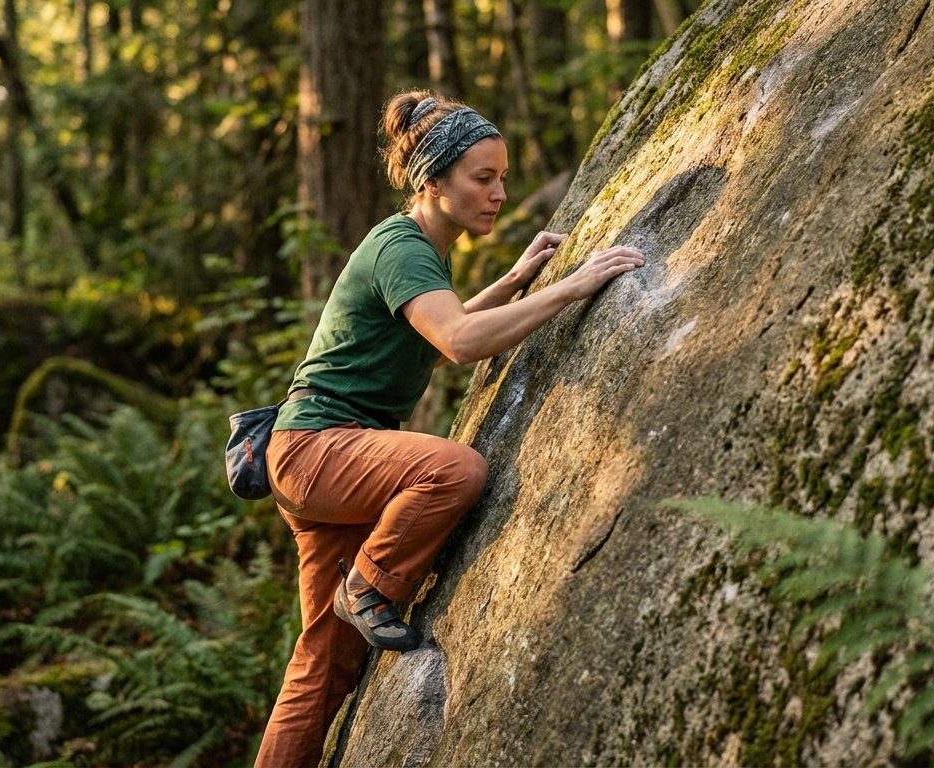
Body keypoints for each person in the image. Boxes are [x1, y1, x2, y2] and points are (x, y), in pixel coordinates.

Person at [253, 90, 645, 768]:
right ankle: (369, 588)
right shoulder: (401, 246)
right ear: (432, 181)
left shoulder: (421, 250)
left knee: (323, 666)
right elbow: (462, 342)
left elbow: (440, 332)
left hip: (323, 458)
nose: (498, 193)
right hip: (321, 447)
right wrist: (573, 286)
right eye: (482, 178)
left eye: (501, 178)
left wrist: (519, 278)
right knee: (454, 469)